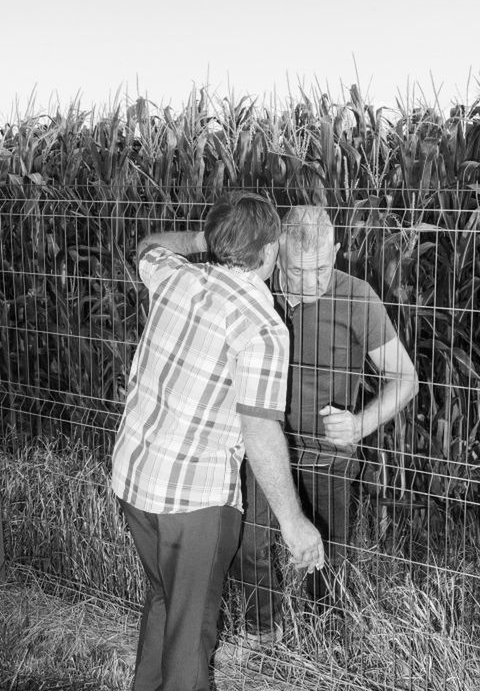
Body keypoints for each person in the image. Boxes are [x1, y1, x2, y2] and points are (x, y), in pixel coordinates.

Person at [111, 192, 324, 691]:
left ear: (217, 241)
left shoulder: (176, 278)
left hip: (134, 482)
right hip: (194, 502)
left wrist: (204, 240)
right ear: (270, 252)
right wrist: (294, 525)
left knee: (165, 600)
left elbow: (147, 246)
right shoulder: (263, 326)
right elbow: (260, 430)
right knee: (191, 643)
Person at [229, 204, 419, 642]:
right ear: (276, 254)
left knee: (328, 554)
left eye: (320, 269)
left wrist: (359, 424)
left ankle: (324, 640)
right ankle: (261, 632)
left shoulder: (357, 296)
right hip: (264, 442)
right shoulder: (255, 291)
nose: (309, 282)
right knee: (249, 537)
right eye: (296, 271)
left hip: (328, 452)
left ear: (336, 252)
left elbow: (405, 377)